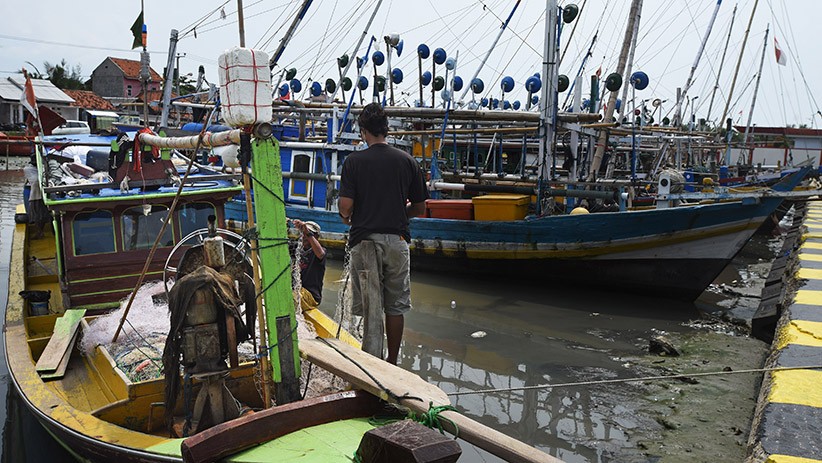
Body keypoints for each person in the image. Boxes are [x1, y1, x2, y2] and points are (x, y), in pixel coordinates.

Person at [338, 103, 429, 365]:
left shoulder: (354, 162)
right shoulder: (407, 161)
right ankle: (392, 362)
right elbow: (420, 208)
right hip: (397, 241)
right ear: (386, 130)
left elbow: (345, 206)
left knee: (371, 305)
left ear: (364, 131)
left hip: (364, 242)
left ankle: (371, 363)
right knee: (396, 306)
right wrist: (399, 213)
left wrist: (346, 217)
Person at [292, 219, 326, 312]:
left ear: (316, 237)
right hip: (296, 290)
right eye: (303, 234)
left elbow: (320, 254)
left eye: (309, 234)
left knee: (289, 298)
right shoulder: (297, 249)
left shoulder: (320, 252)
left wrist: (308, 233)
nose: (305, 237)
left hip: (310, 295)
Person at [23, 154, 49, 239]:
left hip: (42, 194)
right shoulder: (28, 169)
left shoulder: (43, 168)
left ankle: (40, 232)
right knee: (36, 215)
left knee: (42, 214)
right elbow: (35, 180)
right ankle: (39, 232)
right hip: (36, 194)